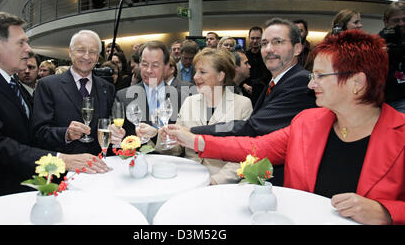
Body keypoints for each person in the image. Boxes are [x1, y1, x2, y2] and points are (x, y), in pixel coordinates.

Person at [167, 29, 405, 225]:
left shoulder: (400, 135)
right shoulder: (308, 122)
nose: (311, 84)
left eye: (320, 76)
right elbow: (256, 147)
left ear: (357, 82)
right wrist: (194, 140)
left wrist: (386, 212)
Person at [0, 12, 108, 208]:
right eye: (21, 43)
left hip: (18, 192)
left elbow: (30, 134)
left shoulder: (12, 83)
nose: (28, 49)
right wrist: (60, 160)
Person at [185, 18, 317, 186]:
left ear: (297, 48)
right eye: (264, 43)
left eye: (278, 42)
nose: (269, 49)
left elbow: (252, 128)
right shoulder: (274, 83)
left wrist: (192, 131)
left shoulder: (300, 82)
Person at [141, 48, 252, 185]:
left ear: (221, 75)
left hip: (220, 185)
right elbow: (176, 150)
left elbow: (244, 154)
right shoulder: (189, 101)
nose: (195, 77)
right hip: (188, 178)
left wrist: (215, 181)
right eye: (196, 72)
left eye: (202, 72)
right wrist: (162, 136)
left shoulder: (242, 104)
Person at [31, 30, 116, 155]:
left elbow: (111, 124)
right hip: (66, 168)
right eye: (81, 50)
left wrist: (116, 132)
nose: (86, 56)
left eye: (92, 52)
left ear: (98, 57)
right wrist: (66, 134)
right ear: (70, 52)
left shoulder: (107, 88)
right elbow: (38, 133)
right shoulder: (47, 86)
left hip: (100, 165)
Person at [111, 41, 182, 145]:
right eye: (144, 64)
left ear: (166, 66)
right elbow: (116, 134)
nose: (149, 70)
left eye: (155, 65)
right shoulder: (123, 97)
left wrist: (157, 133)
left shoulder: (180, 98)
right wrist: (114, 132)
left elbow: (186, 140)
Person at [379, 0, 404, 113]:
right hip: (381, 99)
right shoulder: (376, 42)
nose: (401, 24)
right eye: (396, 20)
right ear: (385, 21)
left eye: (404, 20)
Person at [244, 26, 270, 105]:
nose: (255, 41)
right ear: (249, 38)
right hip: (247, 94)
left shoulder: (268, 55)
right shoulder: (244, 56)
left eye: (258, 38)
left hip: (264, 94)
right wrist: (243, 85)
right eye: (252, 38)